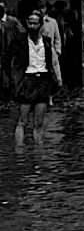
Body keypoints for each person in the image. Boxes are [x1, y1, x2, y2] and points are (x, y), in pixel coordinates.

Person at [9, 10, 62, 142]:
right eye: (30, 23)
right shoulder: (19, 41)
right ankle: (20, 153)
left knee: (39, 122)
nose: (32, 26)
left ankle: (38, 154)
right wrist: (14, 79)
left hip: (43, 81)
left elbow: (53, 62)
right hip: (27, 80)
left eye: (35, 23)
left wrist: (57, 79)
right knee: (22, 121)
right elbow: (7, 60)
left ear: (41, 25)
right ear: (26, 23)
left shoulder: (47, 42)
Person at [0, 2, 24, 103]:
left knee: (12, 73)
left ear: (4, 9)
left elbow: (22, 33)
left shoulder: (12, 21)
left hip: (12, 52)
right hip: (1, 52)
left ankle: (13, 96)